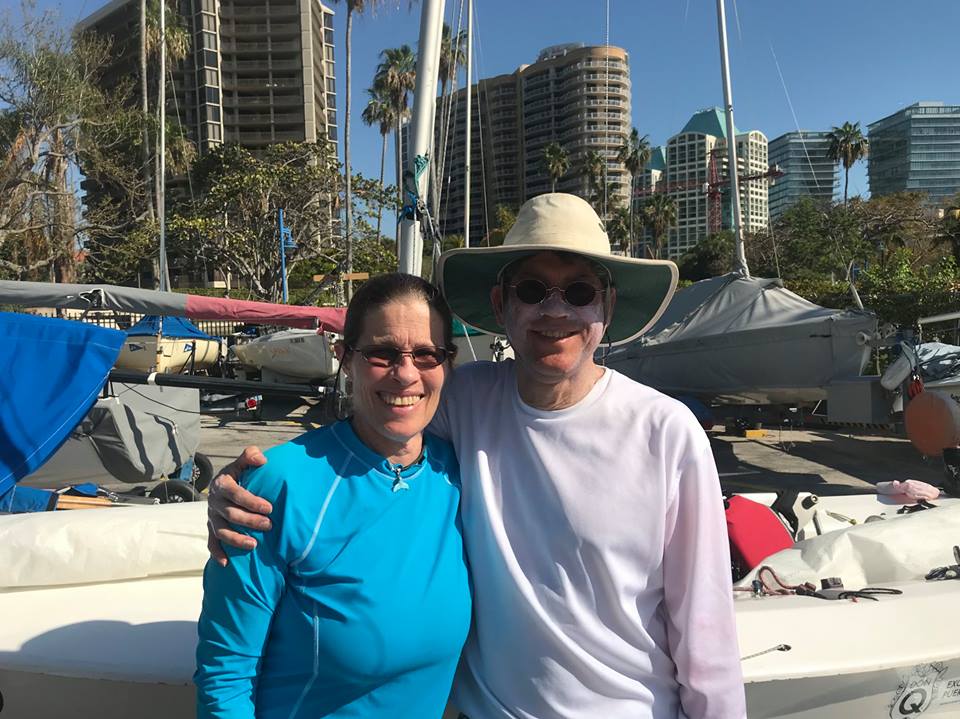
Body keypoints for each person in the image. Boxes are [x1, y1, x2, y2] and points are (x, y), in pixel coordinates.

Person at [209, 194, 747, 718]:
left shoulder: (665, 431)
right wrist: (239, 489)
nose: (555, 309)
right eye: (532, 290)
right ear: (501, 305)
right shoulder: (464, 399)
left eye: (579, 291)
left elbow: (706, 631)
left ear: (605, 306)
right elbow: (373, 431)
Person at [194, 273, 472, 719]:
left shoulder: (462, 473)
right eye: (382, 353)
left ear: (447, 364)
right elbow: (225, 674)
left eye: (426, 354)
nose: (405, 374)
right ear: (345, 359)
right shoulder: (278, 485)